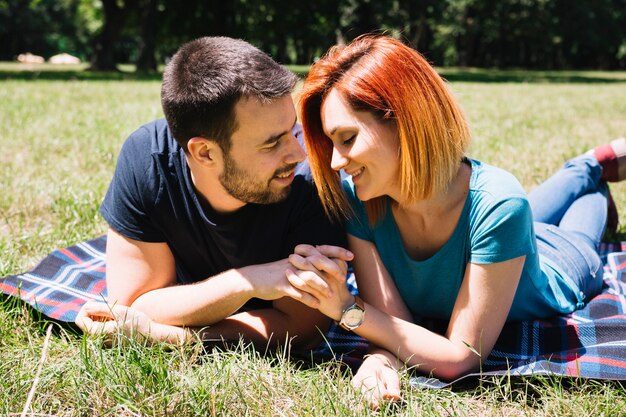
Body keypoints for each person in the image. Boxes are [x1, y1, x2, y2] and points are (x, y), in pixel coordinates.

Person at [287, 34, 626, 408]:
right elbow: (394, 326)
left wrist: (345, 308)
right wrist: (381, 357)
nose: (336, 162)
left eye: (347, 139)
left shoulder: (498, 203)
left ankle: (591, 171)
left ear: (405, 120)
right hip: (502, 234)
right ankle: (590, 171)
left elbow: (461, 358)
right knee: (516, 210)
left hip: (561, 262)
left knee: (570, 226)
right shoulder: (359, 200)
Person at [75, 36, 350, 350]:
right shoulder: (148, 160)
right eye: (272, 143)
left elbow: (302, 330)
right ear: (204, 153)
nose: (297, 152)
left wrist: (175, 336)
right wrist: (247, 282)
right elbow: (132, 306)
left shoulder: (312, 179)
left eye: (292, 129)